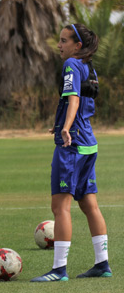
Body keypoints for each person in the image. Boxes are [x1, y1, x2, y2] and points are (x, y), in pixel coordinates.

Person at [31, 23, 111, 282]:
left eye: (64, 40)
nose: (59, 44)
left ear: (78, 46)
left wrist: (65, 128)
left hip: (72, 144)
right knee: (89, 204)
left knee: (60, 207)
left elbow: (74, 99)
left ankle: (59, 270)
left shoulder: (71, 65)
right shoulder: (90, 67)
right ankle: (102, 263)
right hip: (88, 141)